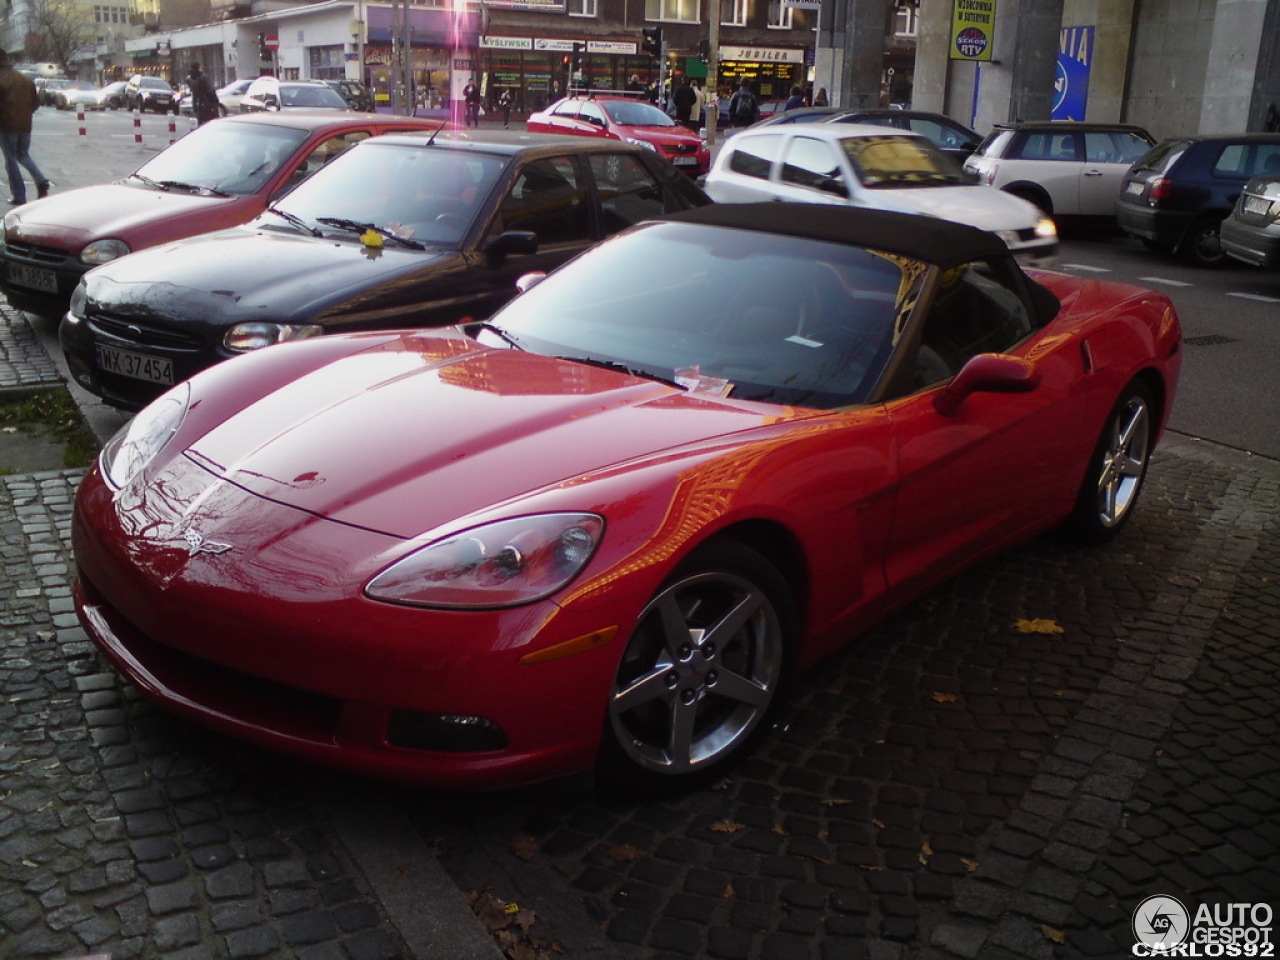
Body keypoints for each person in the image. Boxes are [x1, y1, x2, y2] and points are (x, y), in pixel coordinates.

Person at [0, 51, 50, 206]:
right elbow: (35, 103)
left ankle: (19, 195)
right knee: (23, 155)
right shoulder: (24, 79)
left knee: (10, 159)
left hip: (6, 124)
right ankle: (41, 181)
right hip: (25, 124)